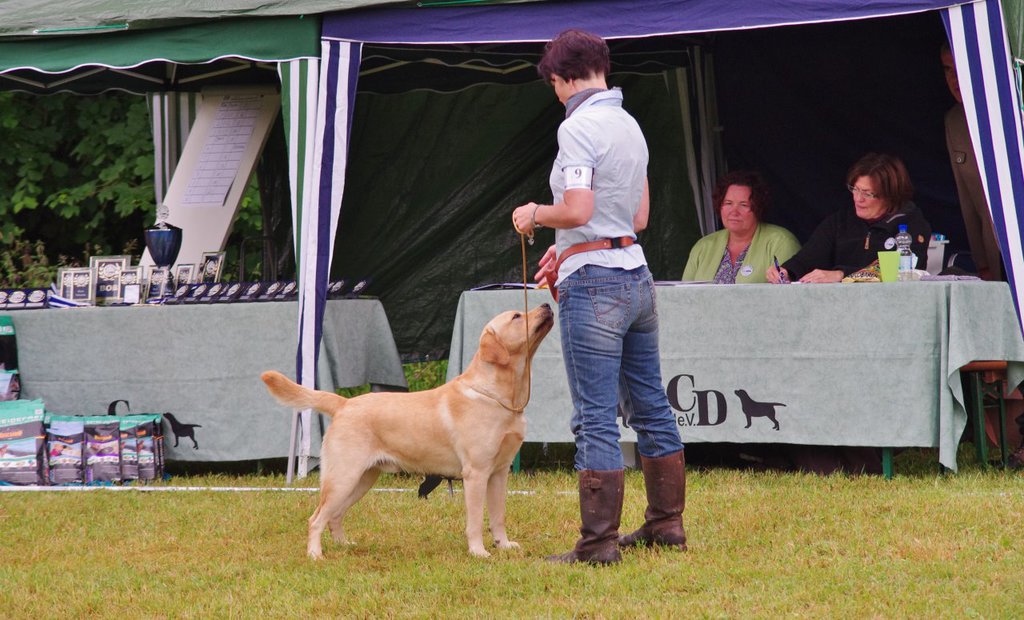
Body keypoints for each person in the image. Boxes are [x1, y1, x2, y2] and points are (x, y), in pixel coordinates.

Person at [511, 29, 686, 565]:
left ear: (562, 78)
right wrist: (565, 247)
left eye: (554, 84)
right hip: (635, 273)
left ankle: (598, 543)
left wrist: (535, 214)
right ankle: (666, 525)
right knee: (651, 403)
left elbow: (579, 210)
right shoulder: (630, 125)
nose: (556, 93)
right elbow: (638, 218)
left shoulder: (577, 127)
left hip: (594, 283)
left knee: (594, 415)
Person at [767, 152, 932, 284]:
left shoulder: (912, 224)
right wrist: (786, 271)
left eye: (867, 194)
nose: (858, 199)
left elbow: (902, 272)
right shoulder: (839, 222)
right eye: (855, 189)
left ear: (890, 196)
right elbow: (808, 258)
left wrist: (841, 274)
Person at [941, 42, 1003, 281]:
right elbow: (967, 199)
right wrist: (982, 261)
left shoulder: (1012, 110)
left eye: (960, 69)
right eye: (948, 70)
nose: (954, 79)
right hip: (996, 253)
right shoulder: (954, 122)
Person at [682, 170, 800, 283]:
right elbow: (682, 293)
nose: (734, 212)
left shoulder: (781, 242)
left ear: (758, 207)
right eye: (728, 203)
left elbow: (789, 293)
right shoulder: (703, 246)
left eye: (744, 205)